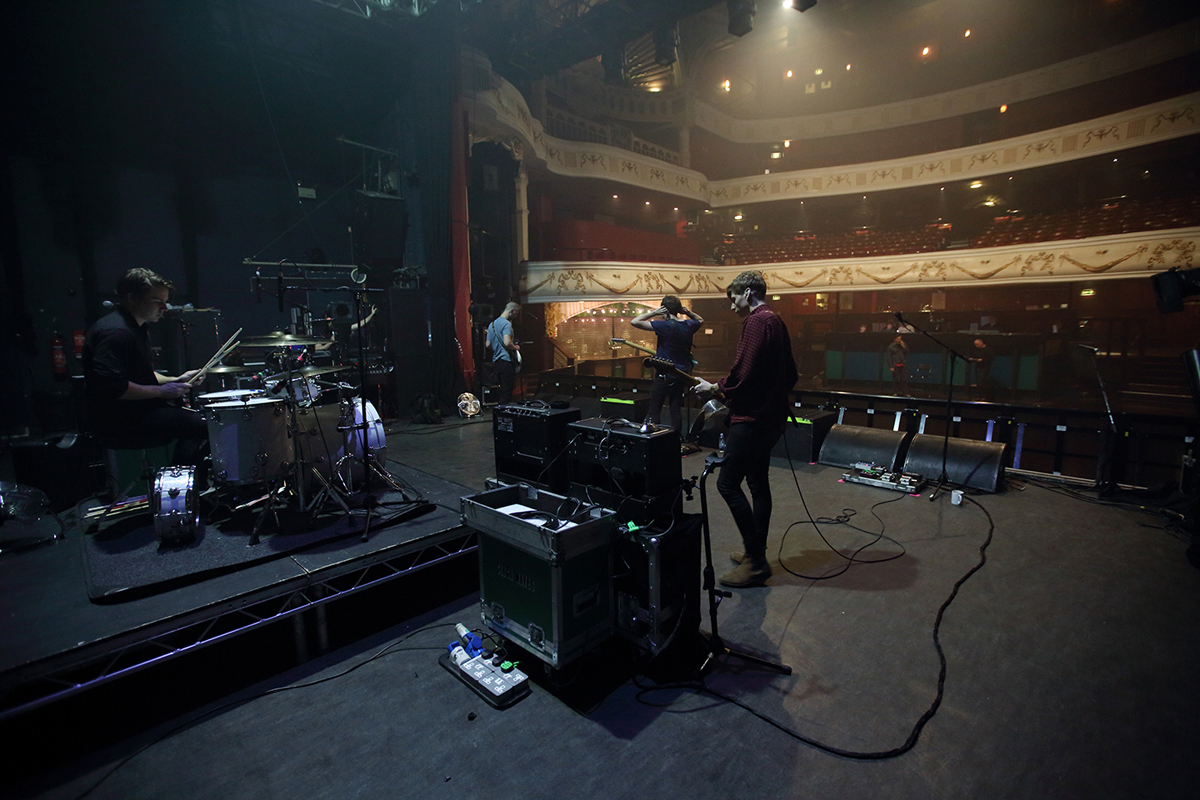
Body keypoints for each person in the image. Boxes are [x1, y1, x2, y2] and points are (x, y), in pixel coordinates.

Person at [693, 271, 798, 588]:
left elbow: (743, 374)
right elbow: (791, 373)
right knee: (757, 483)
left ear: (748, 293)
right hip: (770, 420)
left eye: (734, 298)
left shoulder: (756, 322)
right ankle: (756, 552)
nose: (732, 306)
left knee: (727, 484)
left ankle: (755, 563)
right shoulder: (775, 321)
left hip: (751, 421)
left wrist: (714, 388)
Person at [82, 268, 208, 474]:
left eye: (165, 301)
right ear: (132, 298)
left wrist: (175, 379)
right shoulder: (116, 333)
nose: (165, 308)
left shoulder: (135, 327)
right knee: (205, 425)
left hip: (136, 412)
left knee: (202, 423)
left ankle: (183, 482)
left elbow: (140, 375)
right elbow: (113, 386)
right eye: (157, 301)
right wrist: (161, 392)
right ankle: (177, 485)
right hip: (120, 421)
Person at [630, 296, 703, 444]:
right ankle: (676, 441)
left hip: (665, 373)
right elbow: (700, 320)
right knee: (675, 409)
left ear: (664, 310)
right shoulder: (688, 324)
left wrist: (653, 312)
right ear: (678, 309)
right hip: (681, 374)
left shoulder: (664, 326)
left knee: (655, 409)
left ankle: (656, 442)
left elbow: (635, 321)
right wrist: (687, 312)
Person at [486, 302, 521, 405]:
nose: (515, 316)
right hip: (506, 361)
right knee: (507, 391)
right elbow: (507, 342)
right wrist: (515, 347)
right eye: (515, 314)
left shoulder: (492, 324)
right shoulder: (506, 324)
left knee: (501, 390)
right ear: (511, 311)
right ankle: (502, 411)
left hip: (496, 362)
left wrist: (497, 346)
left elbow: (488, 344)